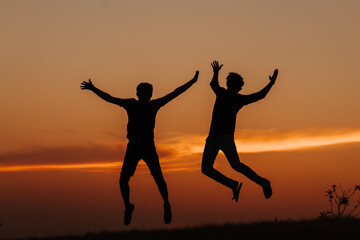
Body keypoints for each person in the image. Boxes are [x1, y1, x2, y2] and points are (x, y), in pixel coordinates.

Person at [81, 70, 199, 225]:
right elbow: (110, 98)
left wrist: (192, 81)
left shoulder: (154, 105)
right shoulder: (131, 104)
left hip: (149, 147)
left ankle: (166, 204)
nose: (144, 94)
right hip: (134, 147)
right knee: (123, 180)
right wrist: (93, 88)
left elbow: (175, 93)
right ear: (137, 93)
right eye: (142, 92)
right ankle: (128, 207)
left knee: (159, 179)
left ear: (150, 94)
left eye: (147, 92)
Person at [202, 60, 278, 202]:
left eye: (237, 86)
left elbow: (260, 95)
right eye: (234, 85)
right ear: (230, 85)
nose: (236, 88)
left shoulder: (237, 99)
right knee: (206, 169)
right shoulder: (223, 94)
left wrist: (271, 83)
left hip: (226, 139)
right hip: (213, 138)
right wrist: (216, 73)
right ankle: (232, 184)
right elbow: (213, 84)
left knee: (236, 165)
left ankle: (263, 182)